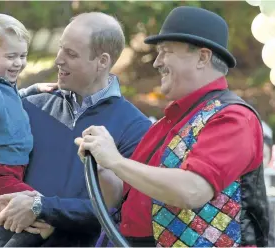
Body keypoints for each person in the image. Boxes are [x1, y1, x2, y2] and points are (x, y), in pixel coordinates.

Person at [75, 6, 269, 247]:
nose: (157, 63)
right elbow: (121, 196)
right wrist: (102, 165)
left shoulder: (233, 117)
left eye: (165, 52)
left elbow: (193, 190)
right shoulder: (167, 122)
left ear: (202, 57)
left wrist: (116, 160)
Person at [0, 12, 151, 247]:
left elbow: (117, 211)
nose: (58, 60)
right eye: (60, 49)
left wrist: (42, 208)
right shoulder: (28, 105)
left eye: (70, 54)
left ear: (102, 61)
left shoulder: (135, 128)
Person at [0, 13, 58, 247]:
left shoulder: (0, 84)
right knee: (42, 211)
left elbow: (10, 101)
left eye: (23, 56)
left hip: (9, 169)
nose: (18, 63)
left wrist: (33, 89)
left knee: (13, 217)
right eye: (11, 56)